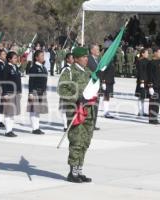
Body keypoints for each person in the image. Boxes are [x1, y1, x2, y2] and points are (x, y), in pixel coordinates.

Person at [57, 47, 94, 183]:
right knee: (76, 141)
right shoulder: (69, 71)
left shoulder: (89, 72)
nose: (86, 59)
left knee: (85, 142)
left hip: (89, 111)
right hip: (76, 111)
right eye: (84, 57)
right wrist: (77, 97)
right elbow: (61, 89)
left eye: (87, 57)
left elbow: (94, 88)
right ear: (76, 58)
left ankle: (79, 171)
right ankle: (72, 172)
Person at [27, 50, 48, 134]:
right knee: (33, 110)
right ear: (36, 57)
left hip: (42, 91)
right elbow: (31, 81)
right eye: (41, 56)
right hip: (35, 91)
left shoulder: (43, 67)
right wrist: (30, 92)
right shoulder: (34, 68)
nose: (43, 57)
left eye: (43, 55)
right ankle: (34, 128)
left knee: (38, 110)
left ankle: (37, 127)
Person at [1, 51, 22, 137]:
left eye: (16, 58)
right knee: (8, 112)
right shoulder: (6, 68)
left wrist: (19, 91)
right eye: (14, 58)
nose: (16, 59)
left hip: (15, 92)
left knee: (12, 113)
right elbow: (4, 81)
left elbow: (18, 81)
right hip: (9, 93)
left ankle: (10, 129)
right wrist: (5, 93)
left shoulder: (15, 67)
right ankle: (7, 131)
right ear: (9, 59)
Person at [147, 47, 160, 125]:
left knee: (157, 102)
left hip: (158, 85)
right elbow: (149, 75)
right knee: (153, 102)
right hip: (153, 85)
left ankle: (155, 117)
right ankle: (151, 119)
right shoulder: (151, 63)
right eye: (159, 52)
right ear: (155, 53)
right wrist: (150, 86)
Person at [58, 53, 74, 132]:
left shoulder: (73, 68)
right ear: (67, 59)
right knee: (64, 110)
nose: (73, 59)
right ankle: (65, 126)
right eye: (71, 58)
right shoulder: (65, 69)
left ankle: (70, 124)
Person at [88, 44, 101, 130]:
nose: (98, 51)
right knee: (90, 106)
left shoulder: (98, 60)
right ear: (92, 50)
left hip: (97, 86)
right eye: (97, 50)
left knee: (95, 105)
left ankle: (93, 123)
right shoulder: (88, 59)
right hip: (90, 86)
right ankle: (89, 123)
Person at [134, 48, 149, 117]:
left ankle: (143, 111)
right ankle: (140, 111)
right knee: (140, 96)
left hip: (146, 80)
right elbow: (140, 72)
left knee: (144, 96)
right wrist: (141, 81)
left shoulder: (147, 61)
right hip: (141, 81)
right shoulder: (140, 61)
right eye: (146, 53)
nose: (147, 54)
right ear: (142, 53)